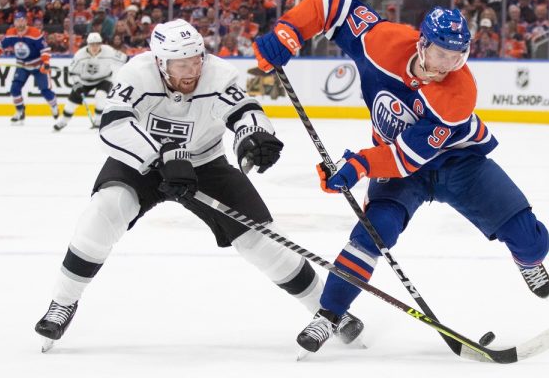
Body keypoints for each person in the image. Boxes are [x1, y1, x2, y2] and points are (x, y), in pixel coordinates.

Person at [33, 19, 363, 351]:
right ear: (161, 62)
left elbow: (244, 110)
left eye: (196, 59)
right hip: (141, 162)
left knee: (260, 241)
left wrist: (254, 135)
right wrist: (161, 155)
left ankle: (330, 312)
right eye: (181, 63)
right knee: (103, 213)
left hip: (203, 163)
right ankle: (63, 301)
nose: (192, 69)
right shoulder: (137, 72)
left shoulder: (218, 74)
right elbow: (114, 123)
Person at [253, 0, 549, 353]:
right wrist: (289, 31)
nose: (449, 64)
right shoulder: (382, 42)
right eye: (442, 53)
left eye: (458, 55)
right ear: (422, 43)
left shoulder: (458, 92)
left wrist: (360, 164)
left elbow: (408, 157)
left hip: (458, 162)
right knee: (371, 233)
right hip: (401, 172)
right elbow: (331, 6)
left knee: (531, 239)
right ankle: (327, 315)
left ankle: (528, 260)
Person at [0, 11, 58, 124]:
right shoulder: (10, 33)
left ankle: (54, 105)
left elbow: (45, 50)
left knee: (45, 91)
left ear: (26, 21)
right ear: (14, 22)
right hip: (22, 65)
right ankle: (20, 111)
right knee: (14, 89)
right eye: (17, 21)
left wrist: (45, 63)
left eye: (22, 20)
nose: (20, 23)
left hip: (37, 65)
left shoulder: (35, 33)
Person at [54, 33, 128, 131]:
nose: (95, 47)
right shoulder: (80, 55)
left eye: (97, 44)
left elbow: (125, 59)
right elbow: (73, 72)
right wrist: (77, 84)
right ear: (88, 44)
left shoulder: (109, 51)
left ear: (101, 44)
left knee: (101, 95)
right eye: (92, 44)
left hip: (104, 79)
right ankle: (63, 121)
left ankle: (98, 121)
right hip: (84, 81)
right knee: (72, 102)